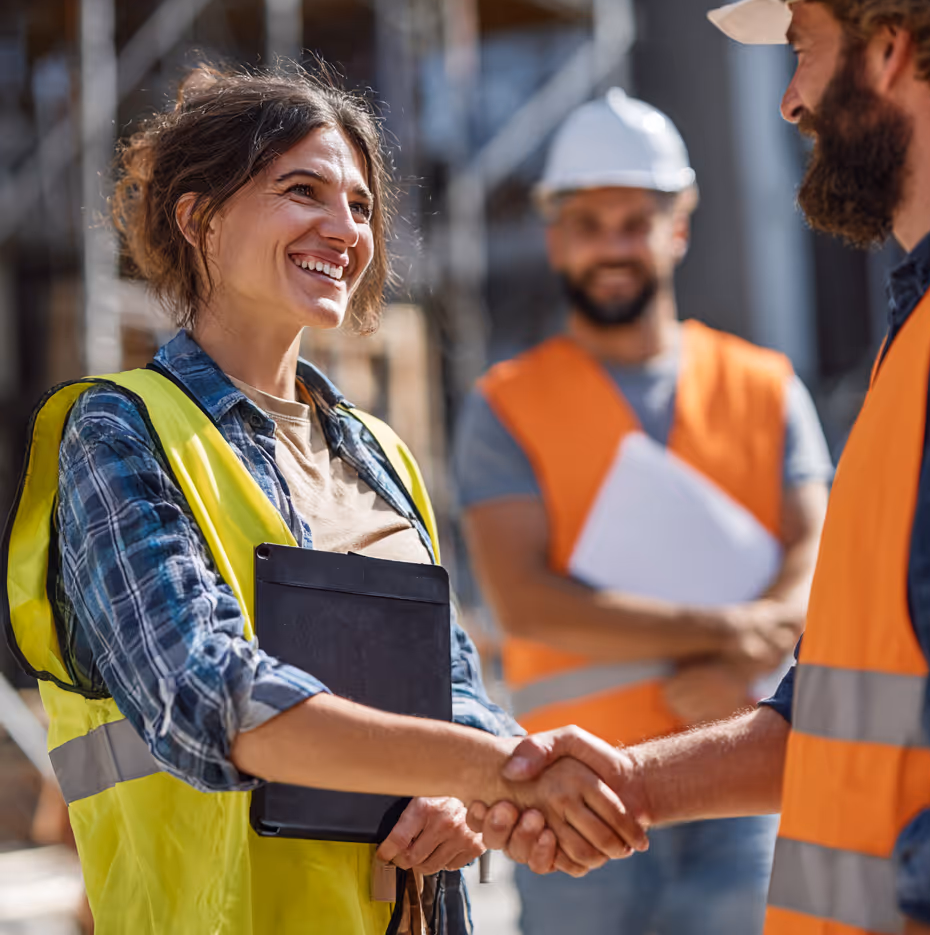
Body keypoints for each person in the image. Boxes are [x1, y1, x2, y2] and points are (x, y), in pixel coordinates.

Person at [1, 64, 647, 935]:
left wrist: (465, 789)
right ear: (199, 219)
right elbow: (211, 695)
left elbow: (452, 688)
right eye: (301, 191)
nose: (344, 228)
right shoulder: (118, 433)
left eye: (359, 205)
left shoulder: (379, 454)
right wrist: (492, 768)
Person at [472, 0, 930, 934]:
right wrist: (630, 782)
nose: (790, 97)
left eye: (803, 45)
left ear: (890, 48)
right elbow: (851, 700)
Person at [454, 88, 832, 933]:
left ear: (679, 229)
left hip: (739, 785)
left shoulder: (765, 385)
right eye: (590, 224)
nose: (614, 247)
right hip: (573, 798)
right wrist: (729, 632)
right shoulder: (507, 405)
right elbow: (525, 600)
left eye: (636, 221)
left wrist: (751, 647)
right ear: (556, 239)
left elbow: (819, 555)